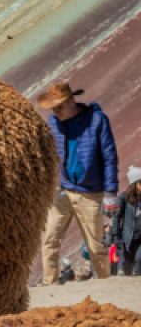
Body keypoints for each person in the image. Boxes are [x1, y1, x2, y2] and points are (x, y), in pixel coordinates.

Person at [38, 81, 118, 285]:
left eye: (59, 107)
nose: (56, 111)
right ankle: (50, 284)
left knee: (96, 246)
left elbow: (109, 157)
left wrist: (110, 193)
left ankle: (104, 283)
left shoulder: (97, 121)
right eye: (53, 108)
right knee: (49, 240)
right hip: (62, 190)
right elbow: (47, 154)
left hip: (90, 193)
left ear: (72, 101)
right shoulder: (53, 123)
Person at [108, 165, 141, 277]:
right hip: (127, 240)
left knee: (139, 260)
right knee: (126, 268)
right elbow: (116, 217)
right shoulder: (123, 198)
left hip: (140, 240)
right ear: (134, 184)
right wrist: (115, 236)